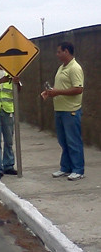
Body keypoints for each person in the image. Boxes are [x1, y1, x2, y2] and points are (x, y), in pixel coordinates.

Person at [41, 42, 85, 181]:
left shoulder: (75, 68)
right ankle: (66, 168)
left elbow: (78, 89)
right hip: (59, 109)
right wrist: (49, 92)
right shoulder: (61, 68)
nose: (57, 54)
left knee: (73, 141)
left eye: (59, 52)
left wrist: (57, 92)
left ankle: (78, 170)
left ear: (66, 52)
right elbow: (61, 86)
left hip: (70, 110)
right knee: (63, 141)